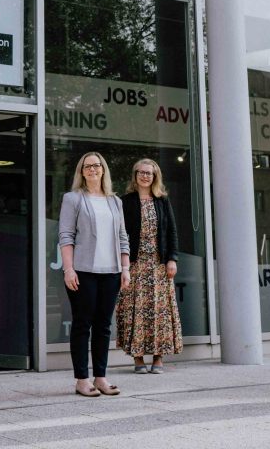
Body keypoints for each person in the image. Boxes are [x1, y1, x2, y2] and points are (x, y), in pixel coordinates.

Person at [58, 152, 130, 397]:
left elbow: (123, 237)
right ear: (81, 171)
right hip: (83, 271)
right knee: (82, 324)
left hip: (110, 271)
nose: (93, 169)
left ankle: (101, 377)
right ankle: (81, 379)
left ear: (103, 170)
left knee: (103, 326)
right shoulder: (73, 199)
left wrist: (125, 268)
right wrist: (69, 269)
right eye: (88, 166)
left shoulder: (115, 201)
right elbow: (66, 236)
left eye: (97, 165)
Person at [117, 158, 182, 374]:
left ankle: (158, 357)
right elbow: (119, 234)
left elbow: (172, 231)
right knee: (136, 310)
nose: (145, 176)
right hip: (134, 265)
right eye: (141, 172)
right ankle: (138, 359)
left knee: (159, 311)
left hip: (158, 265)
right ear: (135, 175)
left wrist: (172, 258)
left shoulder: (162, 201)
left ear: (155, 177)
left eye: (149, 173)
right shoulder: (125, 201)